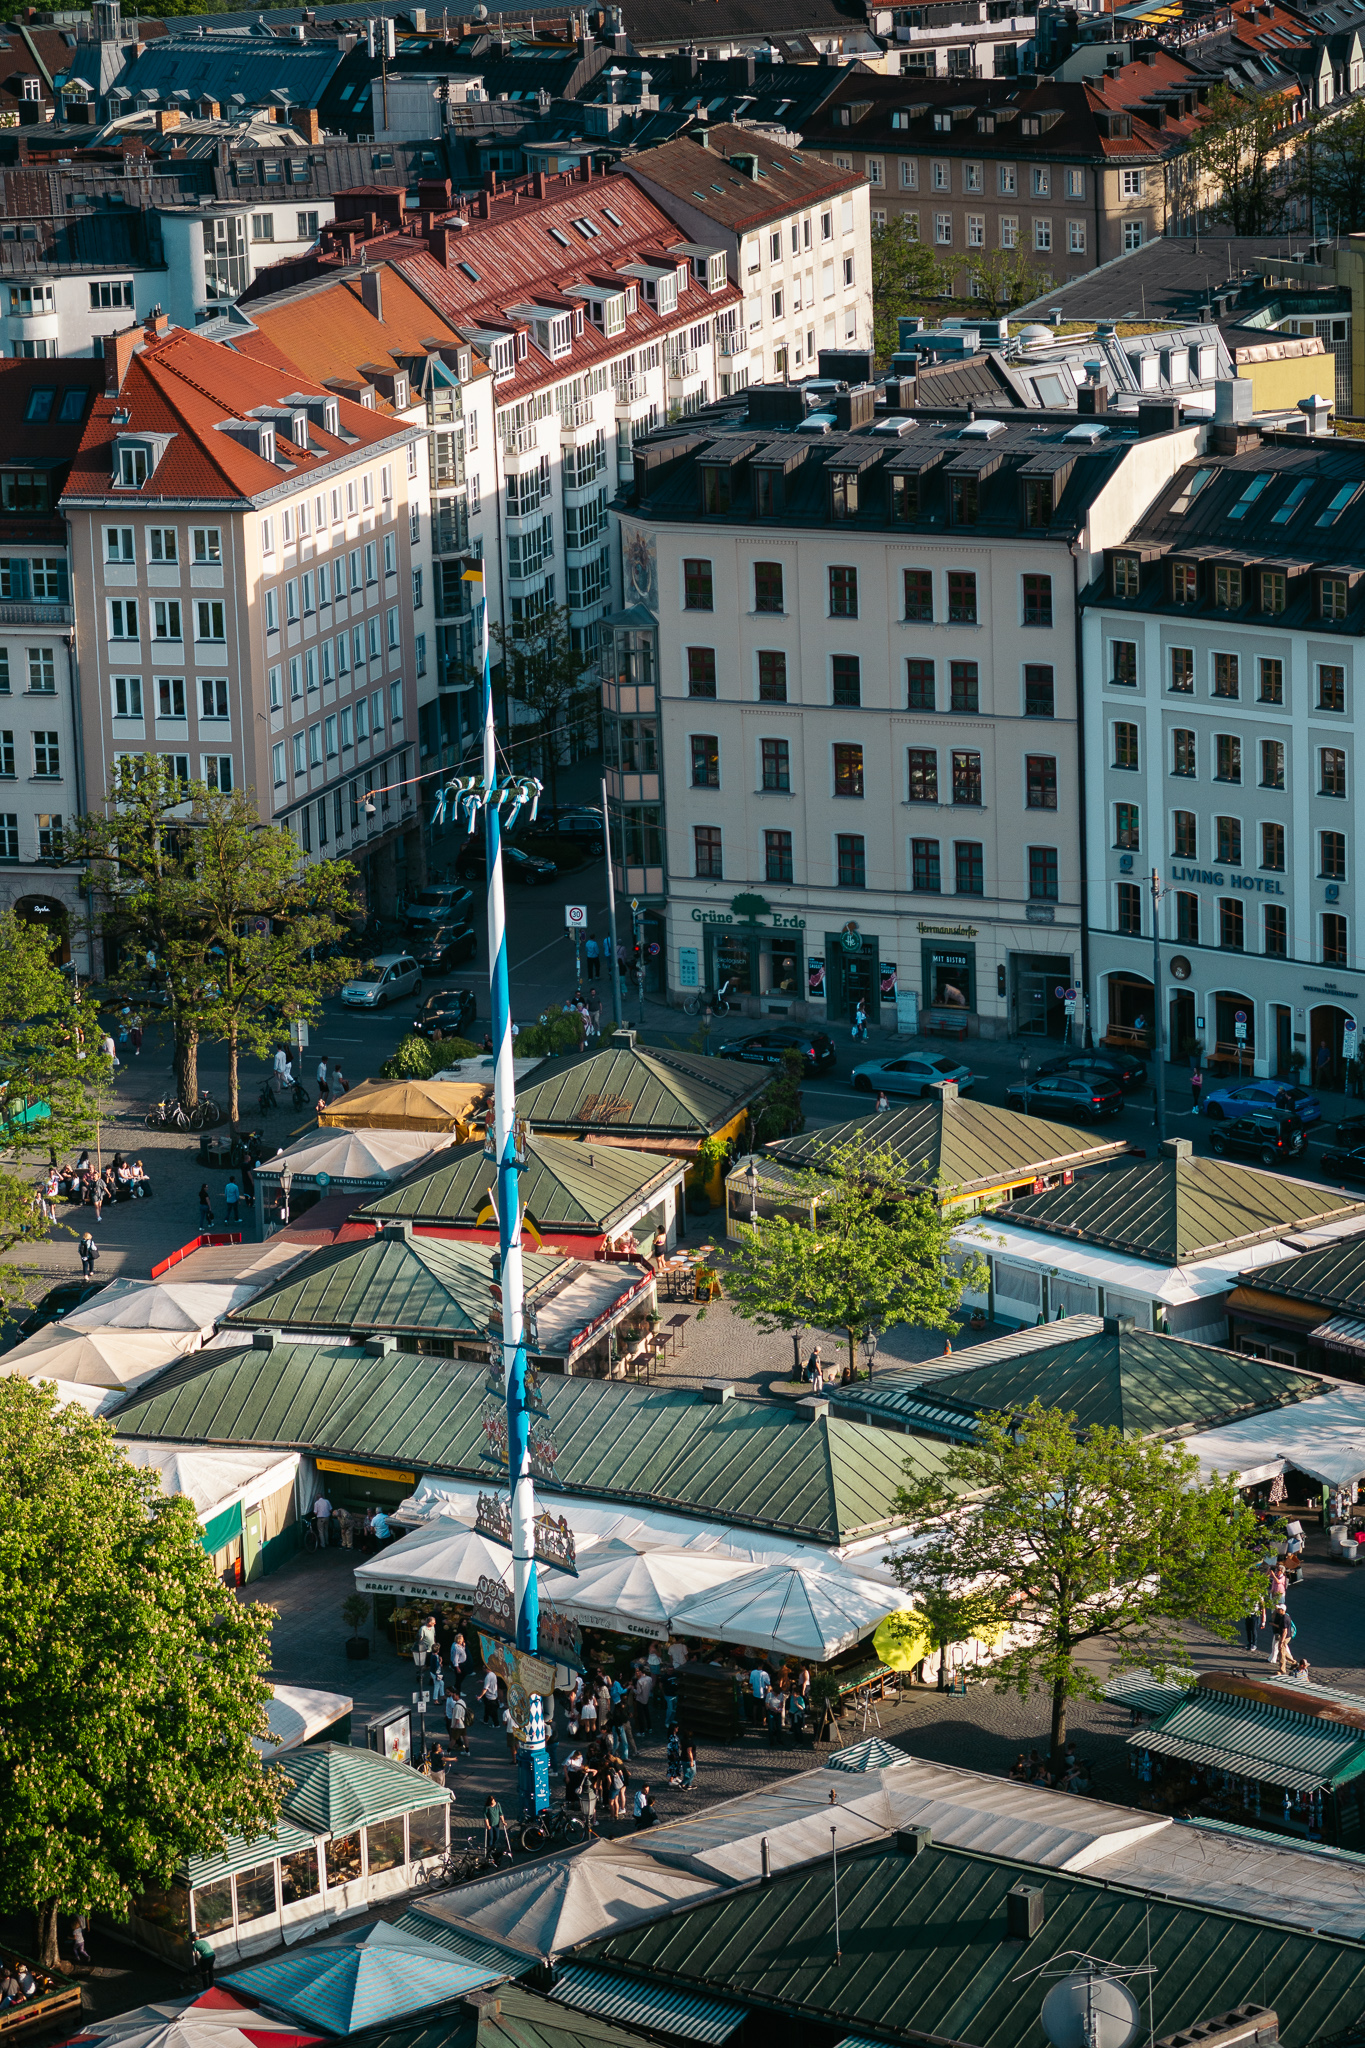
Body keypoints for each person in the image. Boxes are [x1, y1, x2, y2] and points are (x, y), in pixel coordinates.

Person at [483, 1794, 512, 1861]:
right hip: (490, 1825)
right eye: (492, 1803)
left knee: (497, 1837)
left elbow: (500, 1813)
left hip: (496, 1824)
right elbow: (485, 1817)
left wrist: (503, 1821)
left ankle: (493, 1848)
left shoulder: (498, 1805)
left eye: (493, 1802)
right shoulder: (487, 1807)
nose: (493, 1804)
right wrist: (488, 1825)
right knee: (490, 1838)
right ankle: (489, 1851)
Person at [1270, 1603, 1295, 1674]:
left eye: (1279, 1609)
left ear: (1282, 1610)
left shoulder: (1284, 1619)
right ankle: (1293, 1662)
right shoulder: (1284, 1616)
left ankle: (1282, 1670)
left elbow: (1285, 1631)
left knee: (1281, 1653)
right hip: (1286, 1636)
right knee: (1283, 1651)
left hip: (1285, 1637)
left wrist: (1281, 1642)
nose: (1277, 1610)